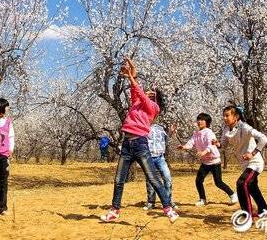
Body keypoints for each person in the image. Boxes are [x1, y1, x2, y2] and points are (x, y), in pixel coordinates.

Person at [100, 58, 179, 223]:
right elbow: (136, 92)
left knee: (153, 178)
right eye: (148, 90)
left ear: (156, 98)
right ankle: (114, 211)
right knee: (118, 180)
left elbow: (141, 94)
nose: (149, 92)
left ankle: (168, 208)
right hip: (127, 145)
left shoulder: (153, 108)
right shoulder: (137, 103)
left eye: (152, 92)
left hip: (140, 144)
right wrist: (132, 75)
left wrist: (132, 78)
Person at [213, 105, 267, 218]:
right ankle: (264, 209)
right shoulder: (226, 129)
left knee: (241, 183)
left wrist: (252, 153)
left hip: (255, 163)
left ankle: (247, 214)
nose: (224, 118)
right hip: (244, 164)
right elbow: (224, 145)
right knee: (252, 187)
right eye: (223, 116)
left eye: (227, 115)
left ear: (236, 117)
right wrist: (217, 144)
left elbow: (264, 138)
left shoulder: (244, 127)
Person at [179, 113, 238, 206]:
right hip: (205, 162)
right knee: (198, 180)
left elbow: (210, 145)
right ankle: (203, 199)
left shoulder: (209, 132)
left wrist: (204, 152)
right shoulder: (196, 133)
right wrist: (183, 147)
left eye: (202, 120)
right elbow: (191, 143)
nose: (199, 121)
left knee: (218, 182)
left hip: (214, 161)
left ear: (207, 122)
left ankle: (233, 195)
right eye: (198, 119)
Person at [142, 93, 176, 210]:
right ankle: (151, 201)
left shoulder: (160, 128)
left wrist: (171, 132)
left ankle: (168, 201)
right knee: (150, 181)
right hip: (148, 158)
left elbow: (166, 139)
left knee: (167, 177)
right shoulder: (143, 127)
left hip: (160, 157)